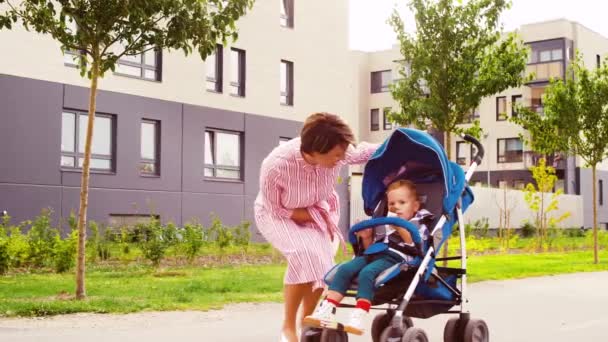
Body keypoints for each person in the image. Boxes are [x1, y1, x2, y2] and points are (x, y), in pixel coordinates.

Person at [254, 112, 378, 342]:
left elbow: (365, 152)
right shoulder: (276, 166)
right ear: (315, 150)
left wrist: (402, 142)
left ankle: (307, 324)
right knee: (304, 253)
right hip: (279, 214)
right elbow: (276, 209)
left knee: (322, 263)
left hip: (317, 209)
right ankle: (288, 326)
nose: (340, 160)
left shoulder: (338, 153)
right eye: (336, 155)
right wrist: (309, 217)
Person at [303, 179, 433, 335]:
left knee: (367, 273)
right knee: (345, 269)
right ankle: (327, 308)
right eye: (391, 203)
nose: (395, 207)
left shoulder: (418, 224)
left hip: (395, 258)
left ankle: (359, 314)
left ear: (415, 206)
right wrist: (366, 237)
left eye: (401, 202)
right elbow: (370, 247)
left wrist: (399, 224)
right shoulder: (383, 223)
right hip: (374, 253)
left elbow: (414, 243)